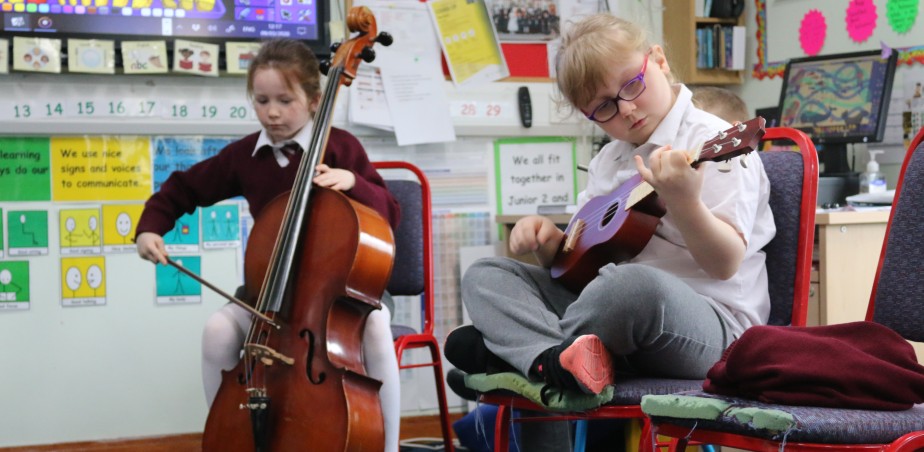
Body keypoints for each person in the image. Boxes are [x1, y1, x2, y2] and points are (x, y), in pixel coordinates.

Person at [459, 10, 774, 411]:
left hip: (714, 328)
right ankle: (552, 361)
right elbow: (582, 266)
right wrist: (549, 243)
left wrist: (685, 201)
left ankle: (521, 354)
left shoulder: (712, 141)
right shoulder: (609, 160)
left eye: (633, 85)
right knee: (488, 274)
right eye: (604, 107)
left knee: (630, 286)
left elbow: (726, 263)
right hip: (616, 321)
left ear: (659, 61)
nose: (626, 110)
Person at [135, 38, 402, 452]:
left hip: (338, 298)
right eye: (261, 100)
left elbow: (390, 213)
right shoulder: (246, 156)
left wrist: (354, 183)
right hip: (265, 297)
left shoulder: (341, 147)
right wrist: (151, 228)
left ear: (314, 101)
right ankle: (233, 437)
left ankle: (389, 445)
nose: (272, 112)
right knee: (217, 332)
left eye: (284, 100)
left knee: (379, 328)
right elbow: (183, 189)